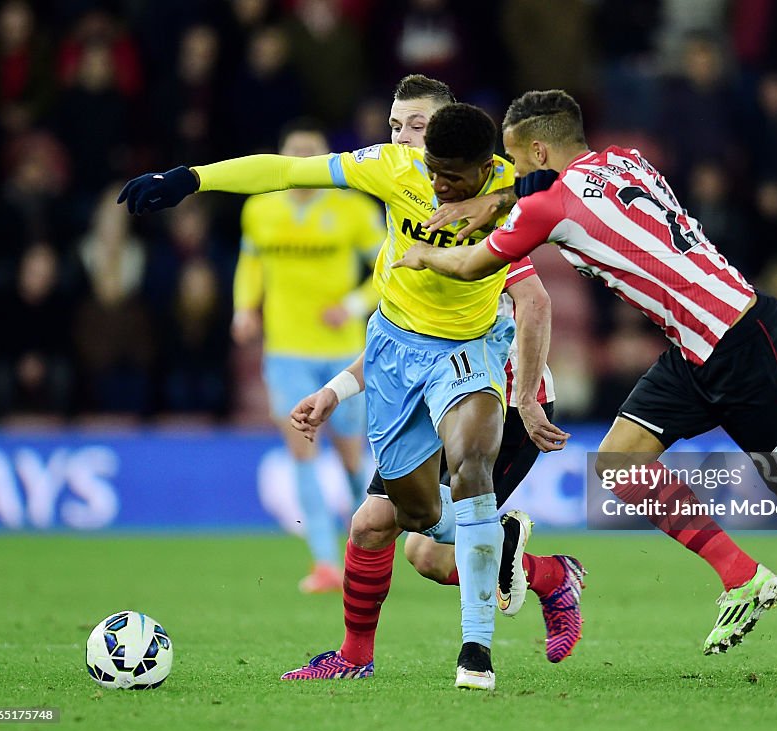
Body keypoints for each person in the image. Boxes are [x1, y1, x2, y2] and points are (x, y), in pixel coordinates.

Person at [393, 89, 777, 691]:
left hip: (744, 341)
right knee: (619, 462)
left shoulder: (548, 206)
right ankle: (741, 575)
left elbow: (473, 264)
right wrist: (500, 197)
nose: (515, 171)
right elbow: (538, 196)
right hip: (695, 347)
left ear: (541, 149)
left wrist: (420, 253)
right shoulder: (624, 160)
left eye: (518, 160)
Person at [117, 93, 558, 691]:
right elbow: (284, 171)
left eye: (452, 177)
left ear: (483, 167)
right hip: (395, 352)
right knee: (416, 516)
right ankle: (498, 541)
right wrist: (193, 178)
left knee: (473, 465)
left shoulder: (512, 184)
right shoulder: (395, 169)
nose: (436, 184)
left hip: (471, 349)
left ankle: (475, 653)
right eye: (426, 163)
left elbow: (564, 186)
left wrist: (497, 198)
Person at [279, 76, 584, 684]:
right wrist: (335, 392)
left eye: (417, 126)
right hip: (427, 394)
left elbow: (537, 301)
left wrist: (524, 396)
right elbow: (404, 346)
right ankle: (546, 573)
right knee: (403, 539)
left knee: (406, 535)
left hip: (494, 393)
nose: (404, 138)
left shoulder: (491, 205)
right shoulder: (408, 211)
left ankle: (480, 637)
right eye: (396, 127)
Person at [232, 118, 385, 593]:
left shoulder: (353, 210)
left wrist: (354, 305)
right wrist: (243, 308)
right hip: (287, 351)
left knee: (350, 455)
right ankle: (324, 561)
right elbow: (250, 263)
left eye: (309, 152)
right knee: (301, 451)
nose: (300, 161)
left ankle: (368, 555)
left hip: (343, 354)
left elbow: (391, 268)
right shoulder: (260, 209)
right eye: (292, 151)